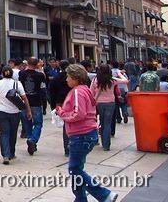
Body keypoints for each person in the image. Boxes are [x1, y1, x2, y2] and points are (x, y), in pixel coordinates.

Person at [56, 64, 118, 202]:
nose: (66, 79)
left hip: (81, 134)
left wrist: (62, 113)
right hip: (85, 133)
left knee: (75, 170)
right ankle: (80, 199)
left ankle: (104, 194)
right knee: (76, 169)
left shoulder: (78, 92)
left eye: (68, 76)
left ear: (75, 78)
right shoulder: (84, 90)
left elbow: (79, 113)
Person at [0, 66, 31, 164]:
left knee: (4, 133)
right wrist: (28, 111)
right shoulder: (17, 83)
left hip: (1, 112)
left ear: (2, 74)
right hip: (14, 112)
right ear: (12, 74)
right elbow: (24, 98)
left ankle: (5, 155)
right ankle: (11, 153)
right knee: (13, 133)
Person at [90, 64, 128, 151]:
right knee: (108, 123)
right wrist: (119, 73)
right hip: (110, 103)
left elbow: (91, 92)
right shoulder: (112, 80)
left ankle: (103, 142)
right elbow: (125, 81)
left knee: (102, 122)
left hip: (99, 103)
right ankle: (106, 145)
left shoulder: (95, 80)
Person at [19, 57, 46, 155]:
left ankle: (30, 139)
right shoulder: (40, 75)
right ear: (37, 64)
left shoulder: (21, 73)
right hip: (36, 101)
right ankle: (33, 140)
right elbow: (43, 86)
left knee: (27, 123)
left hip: (24, 101)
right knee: (38, 123)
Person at [48, 59, 71, 155]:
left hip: (60, 103)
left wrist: (53, 106)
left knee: (65, 127)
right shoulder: (72, 77)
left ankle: (67, 149)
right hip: (71, 101)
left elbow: (51, 93)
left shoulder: (56, 78)